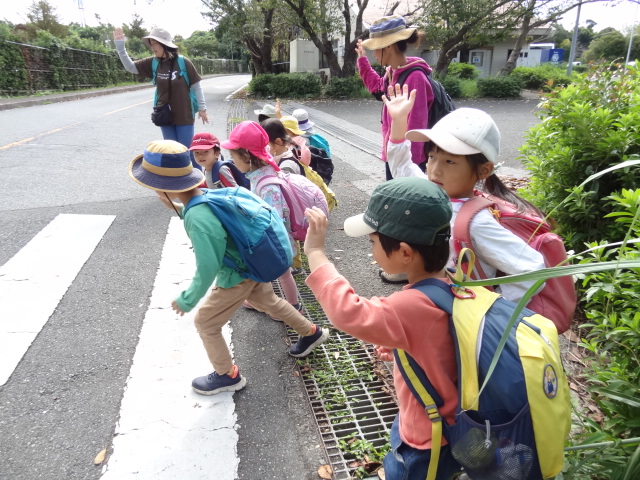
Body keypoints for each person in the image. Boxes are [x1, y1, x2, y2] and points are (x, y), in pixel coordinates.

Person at [128, 139, 329, 395]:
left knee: (206, 322)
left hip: (237, 274)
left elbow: (208, 266)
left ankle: (227, 375)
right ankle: (311, 332)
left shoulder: (197, 218)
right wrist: (177, 206)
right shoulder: (209, 195)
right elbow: (209, 217)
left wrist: (188, 299)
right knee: (268, 300)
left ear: (162, 189)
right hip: (254, 261)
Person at [303, 177, 462, 480]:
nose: (372, 247)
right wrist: (408, 348)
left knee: (408, 470)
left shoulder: (410, 307)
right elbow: (442, 342)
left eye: (372, 241)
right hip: (453, 419)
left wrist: (315, 254)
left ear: (404, 252)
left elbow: (348, 312)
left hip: (428, 435)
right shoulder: (454, 282)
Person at [383, 84, 546, 302]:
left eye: (450, 161)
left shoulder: (476, 222)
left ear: (484, 170)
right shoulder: (435, 191)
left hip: (463, 317)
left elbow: (532, 270)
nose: (435, 170)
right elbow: (402, 166)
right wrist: (399, 120)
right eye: (432, 157)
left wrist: (493, 308)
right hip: (438, 304)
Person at [221, 121, 308, 316]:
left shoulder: (266, 184)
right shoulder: (259, 174)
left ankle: (294, 308)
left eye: (234, 158)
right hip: (269, 239)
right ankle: (261, 299)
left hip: (274, 240)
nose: (233, 163)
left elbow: (272, 218)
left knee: (284, 274)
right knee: (265, 272)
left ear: (246, 156)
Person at [113, 27, 209, 169]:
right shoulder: (153, 63)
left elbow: (196, 86)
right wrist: (120, 47)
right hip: (165, 115)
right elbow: (130, 67)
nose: (152, 47)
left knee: (188, 153)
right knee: (171, 153)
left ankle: (199, 185)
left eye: (155, 43)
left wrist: (202, 109)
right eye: (151, 43)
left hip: (184, 115)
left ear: (164, 44)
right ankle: (178, 186)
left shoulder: (183, 62)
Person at [356, 14, 434, 180]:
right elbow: (377, 88)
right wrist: (362, 60)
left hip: (407, 160)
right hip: (395, 151)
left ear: (389, 47)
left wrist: (408, 164)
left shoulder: (415, 77)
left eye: (377, 48)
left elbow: (417, 124)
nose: (375, 53)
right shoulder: (393, 72)